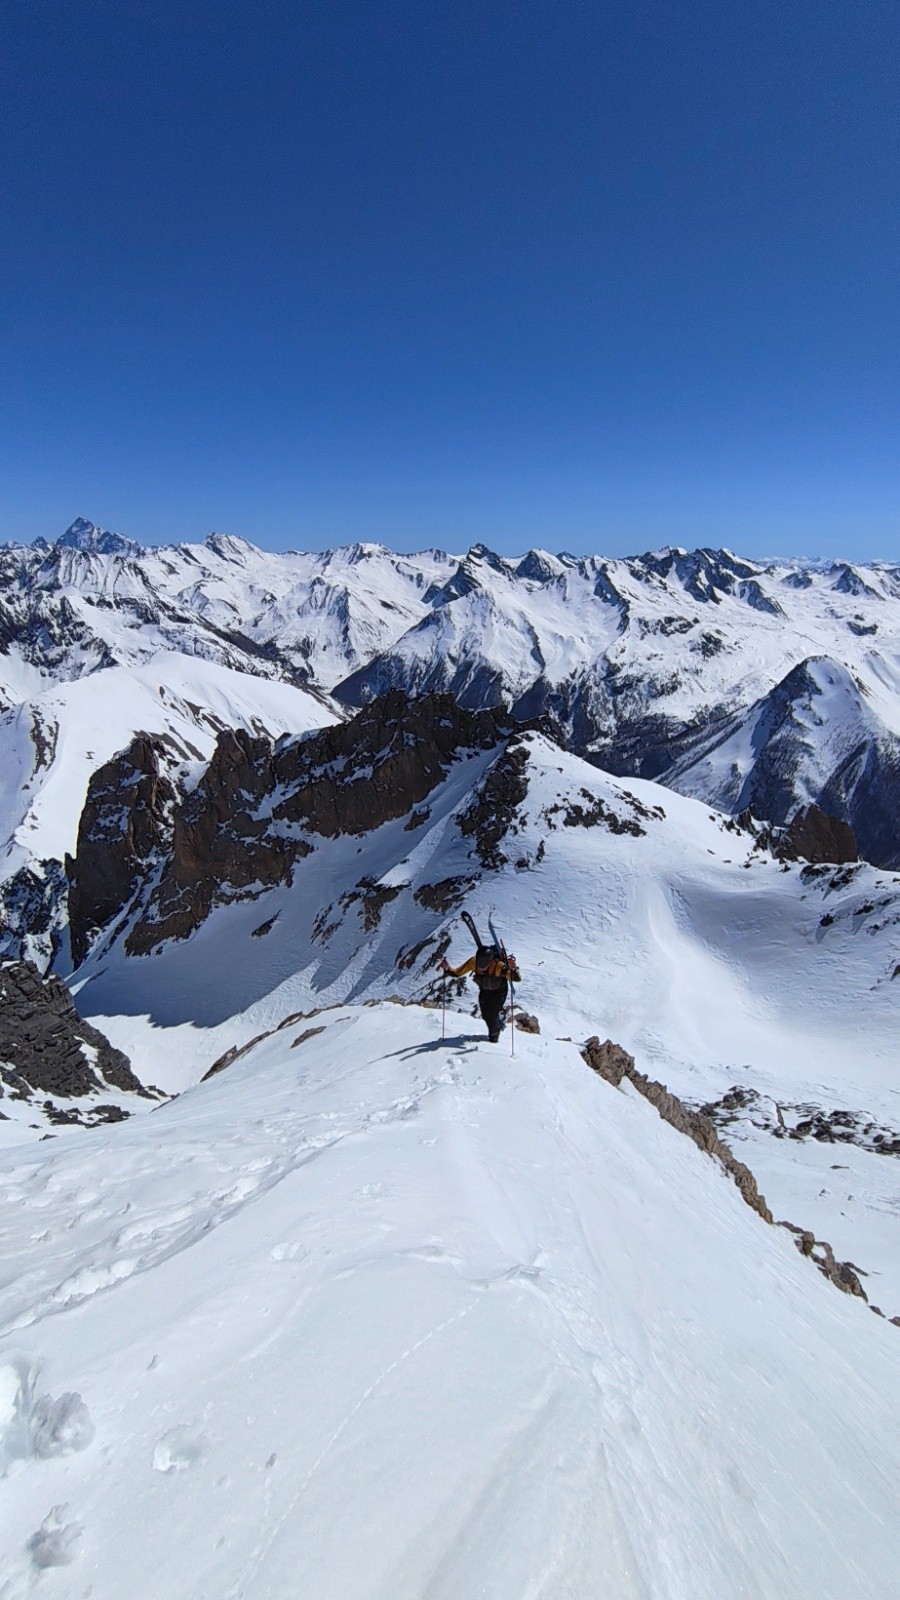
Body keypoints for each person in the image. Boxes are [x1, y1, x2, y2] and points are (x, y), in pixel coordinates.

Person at [439, 941, 521, 1043]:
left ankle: (494, 1037)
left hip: (499, 991)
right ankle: (497, 1023)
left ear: (490, 961)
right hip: (485, 990)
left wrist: (513, 969)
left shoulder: (498, 965)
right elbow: (458, 972)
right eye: (479, 964)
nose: (481, 967)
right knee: (486, 1014)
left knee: (491, 1015)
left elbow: (516, 978)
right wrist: (447, 968)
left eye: (484, 965)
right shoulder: (473, 962)